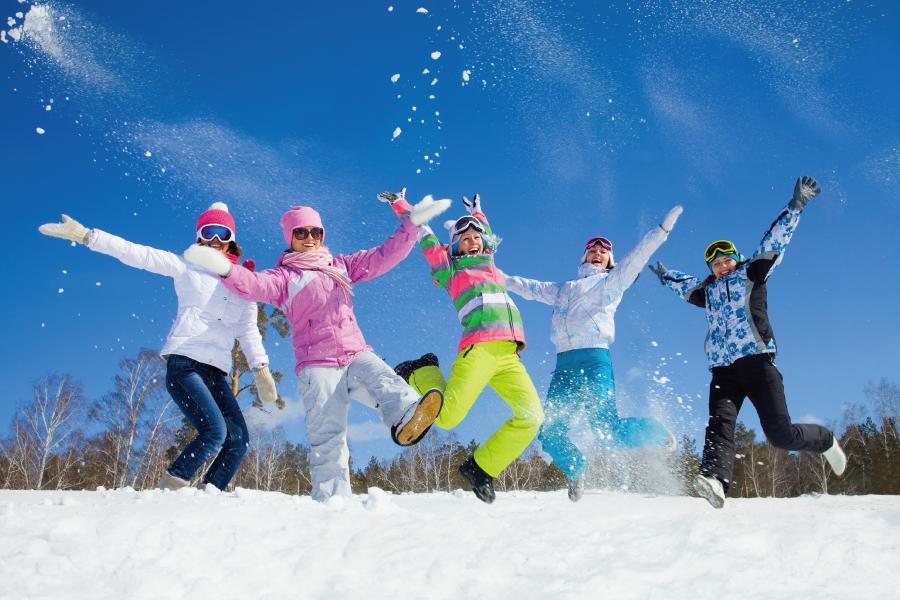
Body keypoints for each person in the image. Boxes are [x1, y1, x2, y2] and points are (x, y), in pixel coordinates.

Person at [185, 191, 450, 502]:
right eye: (301, 232)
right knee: (329, 438)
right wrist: (225, 268)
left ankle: (407, 416)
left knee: (385, 378)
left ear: (323, 235)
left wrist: (411, 226)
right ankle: (332, 502)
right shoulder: (284, 277)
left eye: (315, 231)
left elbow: (383, 256)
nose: (309, 237)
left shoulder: (341, 266)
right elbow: (253, 284)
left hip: (354, 352)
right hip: (317, 365)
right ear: (290, 237)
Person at [39, 203, 278, 491]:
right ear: (199, 237)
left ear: (231, 238)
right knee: (214, 431)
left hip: (216, 372)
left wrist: (260, 368)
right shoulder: (187, 266)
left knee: (238, 439)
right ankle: (169, 491)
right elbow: (137, 254)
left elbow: (249, 331)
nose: (215, 239)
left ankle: (209, 497)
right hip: (185, 363)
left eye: (222, 232)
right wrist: (88, 236)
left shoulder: (244, 285)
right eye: (208, 231)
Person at [648, 176, 847, 508]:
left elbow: (774, 242)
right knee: (720, 422)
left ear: (736, 259)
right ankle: (714, 479)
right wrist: (666, 276)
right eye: (716, 262)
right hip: (724, 371)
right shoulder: (708, 292)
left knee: (780, 435)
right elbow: (685, 286)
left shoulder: (752, 275)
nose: (722, 265)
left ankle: (824, 439)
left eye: (727, 259)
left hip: (758, 362)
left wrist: (795, 206)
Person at [504, 205, 683, 501]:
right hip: (564, 367)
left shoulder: (611, 283)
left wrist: (660, 232)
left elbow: (637, 258)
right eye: (592, 249)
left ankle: (658, 433)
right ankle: (577, 470)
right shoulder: (564, 289)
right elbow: (529, 287)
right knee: (549, 434)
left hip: (594, 361)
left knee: (606, 431)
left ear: (609, 260)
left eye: (604, 250)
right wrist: (496, 276)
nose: (597, 252)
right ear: (583, 256)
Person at [393, 193, 544, 504]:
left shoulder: (491, 265)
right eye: (465, 239)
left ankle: (480, 468)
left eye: (477, 237)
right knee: (446, 419)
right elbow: (426, 239)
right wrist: (403, 207)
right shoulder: (451, 273)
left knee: (532, 416)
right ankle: (421, 370)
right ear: (455, 247)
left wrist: (478, 211)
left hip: (510, 357)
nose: (473, 242)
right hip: (479, 349)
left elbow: (485, 232)